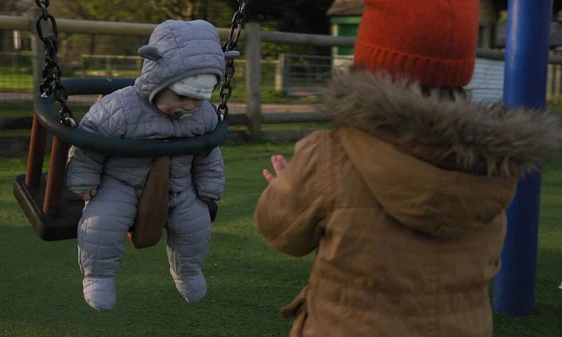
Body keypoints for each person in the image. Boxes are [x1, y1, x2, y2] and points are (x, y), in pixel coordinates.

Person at [254, 0, 562, 336]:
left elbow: (281, 232)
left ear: (369, 61)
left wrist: (287, 185)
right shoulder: (493, 167)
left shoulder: (330, 153)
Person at [65, 19, 229, 311]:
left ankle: (187, 272)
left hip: (179, 184)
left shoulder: (204, 116)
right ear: (158, 80)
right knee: (101, 224)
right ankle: (99, 277)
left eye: (200, 98)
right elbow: (88, 144)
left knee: (196, 226)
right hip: (121, 181)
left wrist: (209, 185)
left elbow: (208, 154)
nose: (191, 106)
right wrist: (84, 180)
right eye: (182, 96)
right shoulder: (120, 108)